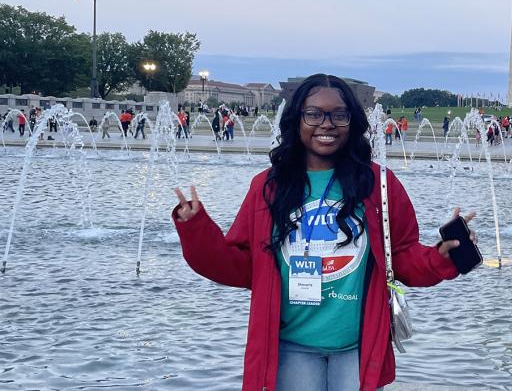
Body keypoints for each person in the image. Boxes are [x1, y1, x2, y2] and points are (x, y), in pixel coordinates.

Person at [172, 73, 475, 391]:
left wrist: (441, 256)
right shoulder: (269, 187)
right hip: (291, 346)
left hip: (357, 347)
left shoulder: (379, 184)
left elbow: (400, 257)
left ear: (352, 121)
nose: (326, 124)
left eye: (339, 115)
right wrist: (196, 229)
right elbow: (239, 266)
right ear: (296, 119)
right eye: (314, 113)